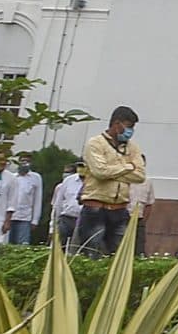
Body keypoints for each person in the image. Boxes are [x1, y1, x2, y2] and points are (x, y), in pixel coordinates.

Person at [78, 107, 146, 255]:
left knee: (119, 256)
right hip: (95, 208)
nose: (131, 131)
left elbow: (140, 176)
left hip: (120, 209)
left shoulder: (132, 148)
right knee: (92, 254)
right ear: (116, 124)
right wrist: (128, 166)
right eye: (129, 126)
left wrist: (112, 171)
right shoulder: (95, 143)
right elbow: (100, 172)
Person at [4, 157, 43, 247]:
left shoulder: (35, 177)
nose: (24, 163)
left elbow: (37, 199)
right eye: (22, 161)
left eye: (27, 161)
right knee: (7, 245)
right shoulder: (11, 177)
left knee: (22, 246)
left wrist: (35, 220)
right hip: (10, 217)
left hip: (25, 218)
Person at [51, 161, 85, 247]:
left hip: (84, 220)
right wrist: (53, 225)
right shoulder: (69, 180)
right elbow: (58, 203)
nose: (81, 168)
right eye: (79, 166)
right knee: (61, 246)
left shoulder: (95, 182)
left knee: (78, 248)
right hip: (67, 219)